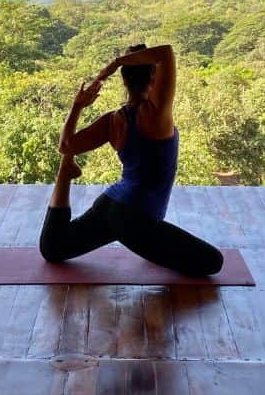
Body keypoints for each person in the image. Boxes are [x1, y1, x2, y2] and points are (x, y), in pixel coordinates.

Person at [39, 43, 224, 276]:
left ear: (124, 81)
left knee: (53, 248)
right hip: (136, 221)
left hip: (110, 206)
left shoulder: (113, 120)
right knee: (213, 262)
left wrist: (78, 106)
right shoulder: (157, 115)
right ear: (154, 76)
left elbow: (66, 146)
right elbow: (165, 52)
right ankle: (152, 242)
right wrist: (117, 62)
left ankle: (64, 177)